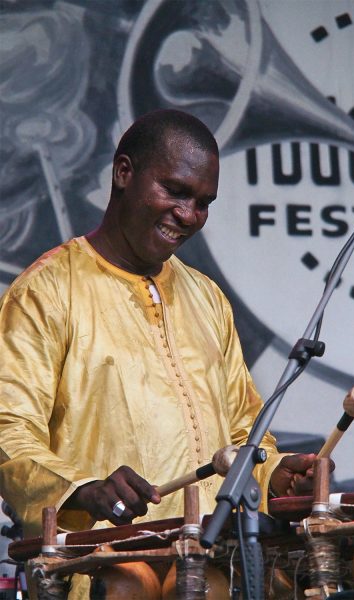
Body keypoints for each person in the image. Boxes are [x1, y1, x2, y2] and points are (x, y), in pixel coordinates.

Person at [0, 109, 318, 595]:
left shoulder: (207, 297)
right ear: (123, 173)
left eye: (204, 202)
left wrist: (275, 474)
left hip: (215, 572)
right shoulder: (45, 291)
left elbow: (241, 435)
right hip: (107, 576)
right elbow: (9, 432)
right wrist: (83, 487)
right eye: (175, 191)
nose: (189, 216)